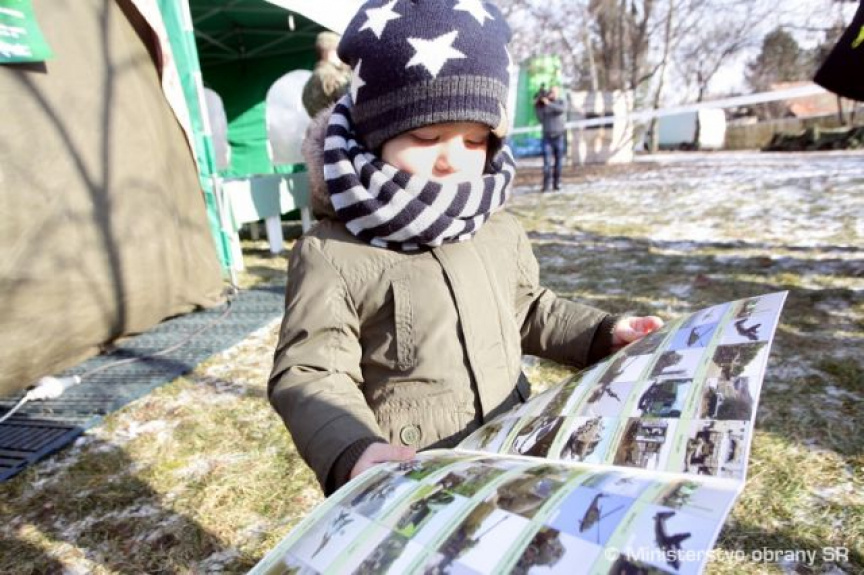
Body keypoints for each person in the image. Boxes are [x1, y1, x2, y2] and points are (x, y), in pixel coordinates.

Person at [268, 0, 663, 495]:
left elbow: (527, 310)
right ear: (373, 136)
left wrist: (603, 334)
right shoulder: (333, 253)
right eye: (426, 135)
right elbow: (312, 371)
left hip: (510, 447)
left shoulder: (495, 227)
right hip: (413, 475)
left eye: (475, 140)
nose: (452, 160)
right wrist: (351, 447)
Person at [301, 31, 352, 119]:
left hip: (322, 125)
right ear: (331, 51)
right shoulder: (333, 77)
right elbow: (353, 99)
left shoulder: (310, 81)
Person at [536, 85, 567, 191]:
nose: (552, 94)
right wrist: (537, 106)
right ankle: (546, 185)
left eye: (554, 92)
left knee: (558, 163)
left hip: (559, 137)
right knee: (547, 163)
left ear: (558, 92)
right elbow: (540, 118)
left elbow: (561, 110)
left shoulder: (561, 102)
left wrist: (548, 103)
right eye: (551, 92)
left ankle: (557, 184)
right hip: (547, 138)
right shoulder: (544, 105)